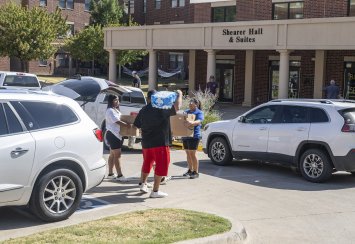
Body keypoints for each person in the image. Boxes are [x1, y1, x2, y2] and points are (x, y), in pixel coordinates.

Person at [134, 89, 182, 198]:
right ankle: (155, 191)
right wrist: (180, 94)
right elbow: (177, 108)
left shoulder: (144, 109)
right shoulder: (161, 107)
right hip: (160, 142)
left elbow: (136, 124)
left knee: (147, 163)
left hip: (146, 142)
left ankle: (142, 184)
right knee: (161, 165)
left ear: (148, 98)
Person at [105, 94, 132, 182]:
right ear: (111, 101)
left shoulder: (115, 110)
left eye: (118, 100)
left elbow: (120, 119)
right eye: (115, 100)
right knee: (117, 155)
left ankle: (110, 174)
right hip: (113, 134)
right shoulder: (110, 111)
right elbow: (117, 121)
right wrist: (128, 125)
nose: (117, 102)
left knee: (112, 155)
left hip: (116, 134)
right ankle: (120, 175)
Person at [182, 98, 204, 179]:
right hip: (185, 135)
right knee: (188, 153)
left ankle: (196, 172)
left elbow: (199, 121)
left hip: (194, 136)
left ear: (196, 104)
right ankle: (190, 170)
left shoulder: (199, 112)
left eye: (191, 104)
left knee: (192, 154)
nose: (190, 105)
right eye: (189, 104)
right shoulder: (186, 112)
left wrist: (192, 122)